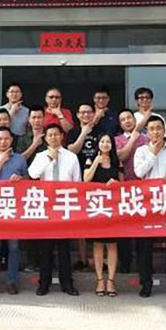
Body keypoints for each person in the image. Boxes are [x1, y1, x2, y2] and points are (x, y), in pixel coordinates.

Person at [133, 116, 166, 298]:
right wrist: (153, 153)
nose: (155, 132)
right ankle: (146, 284)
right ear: (147, 132)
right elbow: (139, 172)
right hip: (147, 205)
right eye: (151, 129)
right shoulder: (141, 151)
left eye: (158, 128)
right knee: (144, 247)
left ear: (164, 130)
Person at [28, 124, 81, 296]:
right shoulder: (40, 156)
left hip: (64, 206)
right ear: (45, 138)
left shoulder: (71, 157)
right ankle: (44, 284)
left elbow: (77, 182)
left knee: (64, 249)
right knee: (46, 249)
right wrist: (48, 159)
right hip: (46, 207)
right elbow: (33, 174)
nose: (53, 138)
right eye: (50, 135)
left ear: (62, 136)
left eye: (56, 134)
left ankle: (67, 284)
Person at [0, 127, 28, 295]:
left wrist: (21, 179)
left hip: (14, 208)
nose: (3, 142)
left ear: (11, 140)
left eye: (6, 139)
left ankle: (12, 281)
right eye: (0, 139)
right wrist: (1, 160)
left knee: (14, 247)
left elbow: (28, 180)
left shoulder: (20, 159)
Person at [84, 133, 122, 297]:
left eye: (108, 142)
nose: (105, 144)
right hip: (96, 208)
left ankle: (111, 280)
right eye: (102, 141)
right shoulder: (90, 160)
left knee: (112, 245)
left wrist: (116, 184)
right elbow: (86, 180)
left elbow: (124, 184)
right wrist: (96, 163)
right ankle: (100, 279)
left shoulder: (117, 162)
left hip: (112, 209)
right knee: (98, 244)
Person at [114, 108, 148, 272]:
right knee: (124, 230)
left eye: (129, 118)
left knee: (143, 230)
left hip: (144, 189)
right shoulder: (116, 140)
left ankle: (144, 267)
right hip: (124, 189)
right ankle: (125, 265)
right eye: (123, 119)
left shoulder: (147, 138)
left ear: (135, 120)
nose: (127, 121)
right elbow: (120, 157)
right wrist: (132, 139)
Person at [14, 105, 47, 272]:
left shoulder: (51, 135)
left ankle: (45, 261)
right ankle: (32, 261)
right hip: (27, 185)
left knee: (46, 224)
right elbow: (19, 159)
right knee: (29, 224)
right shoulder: (22, 138)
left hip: (47, 186)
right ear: (29, 119)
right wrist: (34, 144)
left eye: (39, 117)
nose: (36, 120)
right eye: (33, 117)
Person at [67, 103, 99, 271]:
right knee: (81, 222)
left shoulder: (100, 131)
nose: (86, 115)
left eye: (89, 112)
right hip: (78, 181)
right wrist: (83, 133)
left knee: (98, 221)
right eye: (83, 113)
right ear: (78, 115)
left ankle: (99, 260)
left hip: (98, 181)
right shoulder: (73, 132)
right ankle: (82, 258)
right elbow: (72, 150)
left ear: (93, 114)